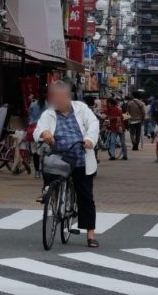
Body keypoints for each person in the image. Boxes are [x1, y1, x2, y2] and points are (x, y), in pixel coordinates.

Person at [35, 80, 100, 247]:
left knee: (85, 195)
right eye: (54, 96)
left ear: (68, 96)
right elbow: (38, 128)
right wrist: (45, 132)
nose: (57, 100)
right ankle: (48, 192)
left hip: (80, 156)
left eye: (61, 96)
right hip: (59, 156)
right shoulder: (49, 113)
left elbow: (93, 123)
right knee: (48, 166)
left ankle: (91, 235)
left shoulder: (81, 108)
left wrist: (89, 140)